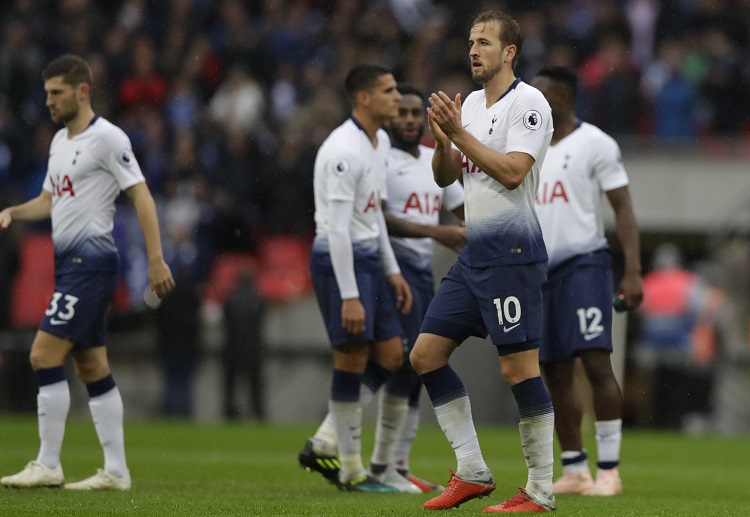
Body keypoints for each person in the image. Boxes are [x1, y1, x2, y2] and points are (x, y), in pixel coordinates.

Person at [0, 54, 175, 490]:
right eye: (45, 93)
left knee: (42, 355)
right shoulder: (59, 142)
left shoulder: (109, 139)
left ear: (82, 91)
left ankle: (48, 463)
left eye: (56, 93)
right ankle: (116, 472)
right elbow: (49, 200)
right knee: (93, 365)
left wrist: (155, 259)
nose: (49, 101)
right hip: (70, 265)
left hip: (91, 263)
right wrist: (13, 212)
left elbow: (143, 197)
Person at [408, 10, 556, 512]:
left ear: (509, 52)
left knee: (518, 371)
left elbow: (515, 172)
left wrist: (461, 135)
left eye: (485, 43)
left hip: (513, 256)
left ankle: (540, 489)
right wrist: (443, 139)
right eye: (471, 41)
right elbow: (446, 177)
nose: (473, 50)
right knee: (425, 355)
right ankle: (471, 468)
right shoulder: (468, 103)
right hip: (476, 257)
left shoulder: (529, 103)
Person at [298, 64, 412, 493]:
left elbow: (372, 214)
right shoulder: (343, 151)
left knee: (392, 356)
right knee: (350, 359)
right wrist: (350, 295)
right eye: (389, 90)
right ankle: (350, 469)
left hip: (367, 261)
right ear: (364, 99)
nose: (397, 97)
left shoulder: (379, 141)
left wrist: (392, 270)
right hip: (338, 260)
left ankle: (325, 439)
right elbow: (340, 228)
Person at [530, 66, 643, 497]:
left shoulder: (596, 143)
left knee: (595, 362)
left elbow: (623, 207)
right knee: (554, 370)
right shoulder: (528, 148)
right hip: (539, 271)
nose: (536, 101)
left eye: (544, 94)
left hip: (585, 264)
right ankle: (575, 469)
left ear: (564, 96)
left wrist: (632, 270)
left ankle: (609, 471)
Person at [222, 269, 267, 420]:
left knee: (231, 386)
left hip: (232, 348)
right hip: (253, 348)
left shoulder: (231, 298)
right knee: (255, 387)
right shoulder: (258, 299)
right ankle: (258, 415)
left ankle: (229, 414)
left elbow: (226, 320)